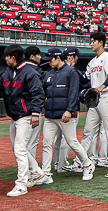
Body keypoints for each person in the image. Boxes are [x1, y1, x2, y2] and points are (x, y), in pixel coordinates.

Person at [39, 48, 95, 182]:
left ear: (58, 58)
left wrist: (70, 110)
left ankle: (87, 165)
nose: (48, 63)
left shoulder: (71, 72)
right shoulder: (49, 73)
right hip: (50, 115)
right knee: (46, 143)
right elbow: (44, 90)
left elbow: (73, 92)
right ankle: (45, 173)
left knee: (72, 142)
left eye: (50, 60)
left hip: (64, 114)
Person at [0, 44, 44, 196]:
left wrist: (35, 113)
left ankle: (21, 184)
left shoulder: (29, 72)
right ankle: (37, 171)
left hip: (25, 115)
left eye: (7, 57)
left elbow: (37, 94)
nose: (5, 59)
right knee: (19, 148)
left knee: (19, 148)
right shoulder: (8, 72)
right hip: (15, 115)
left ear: (13, 57)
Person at [80, 33, 108, 178]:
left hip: (107, 96)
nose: (91, 44)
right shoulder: (93, 61)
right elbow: (86, 79)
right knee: (88, 131)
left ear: (101, 43)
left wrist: (102, 87)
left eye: (93, 42)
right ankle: (81, 162)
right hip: (95, 99)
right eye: (91, 41)